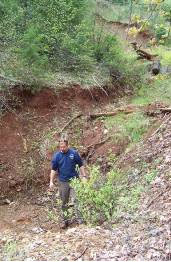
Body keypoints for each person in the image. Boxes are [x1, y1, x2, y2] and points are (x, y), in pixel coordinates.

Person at [49, 137, 86, 229]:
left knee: (76, 200)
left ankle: (80, 221)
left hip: (74, 181)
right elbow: (53, 170)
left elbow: (81, 165)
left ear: (67, 145)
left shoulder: (74, 153)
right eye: (60, 147)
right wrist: (51, 181)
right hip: (63, 182)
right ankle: (65, 221)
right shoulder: (57, 156)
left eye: (64, 147)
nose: (62, 149)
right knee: (63, 202)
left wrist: (84, 176)